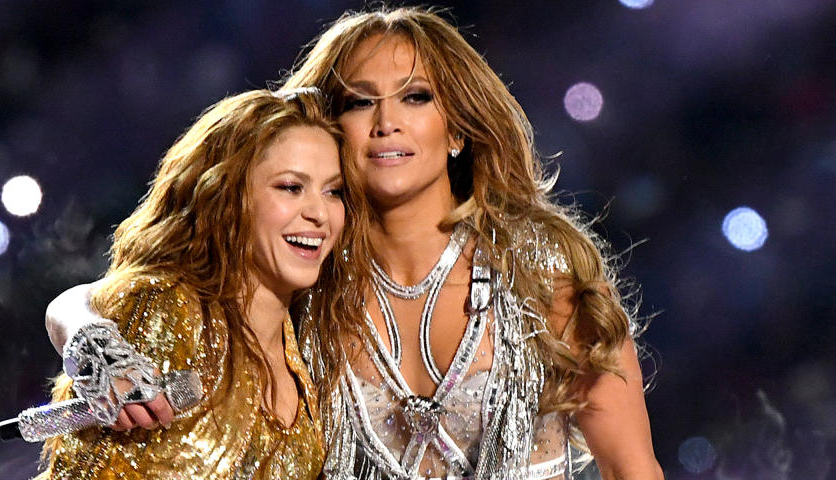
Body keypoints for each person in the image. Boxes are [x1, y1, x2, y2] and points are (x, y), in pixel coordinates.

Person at [46, 6, 663, 479]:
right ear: (330, 127)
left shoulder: (538, 273)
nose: (385, 120)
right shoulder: (304, 278)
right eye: (360, 101)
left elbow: (634, 470)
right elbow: (102, 299)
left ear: (457, 128)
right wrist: (93, 344)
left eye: (415, 97)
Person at [35, 88, 373, 479]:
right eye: (290, 187)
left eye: (333, 192)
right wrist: (86, 338)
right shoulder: (173, 310)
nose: (319, 213)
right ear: (227, 195)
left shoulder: (302, 347)